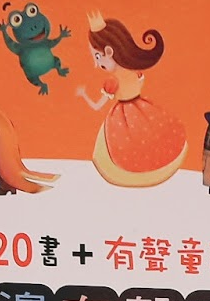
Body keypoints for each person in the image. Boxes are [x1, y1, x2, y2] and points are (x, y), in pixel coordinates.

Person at [74, 11, 186, 187]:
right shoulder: (135, 73)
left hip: (122, 117)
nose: (96, 64)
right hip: (144, 108)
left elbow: (97, 106)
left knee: (120, 148)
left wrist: (84, 95)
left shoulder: (112, 82)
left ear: (109, 51)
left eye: (97, 57)